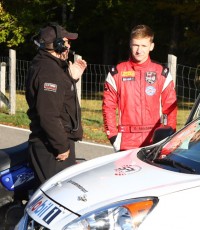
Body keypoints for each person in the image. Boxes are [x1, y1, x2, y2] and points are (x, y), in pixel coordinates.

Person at [25, 22, 87, 185]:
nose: (69, 45)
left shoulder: (50, 67)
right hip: (52, 149)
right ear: (58, 45)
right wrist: (61, 146)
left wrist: (70, 78)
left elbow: (58, 98)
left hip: (53, 143)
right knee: (58, 200)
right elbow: (48, 115)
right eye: (67, 42)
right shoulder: (50, 72)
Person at [102, 24, 177, 151]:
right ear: (130, 45)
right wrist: (113, 136)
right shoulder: (117, 73)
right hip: (126, 140)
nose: (139, 50)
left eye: (143, 46)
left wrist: (170, 135)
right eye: (136, 45)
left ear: (151, 47)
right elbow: (108, 107)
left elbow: (170, 108)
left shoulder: (161, 73)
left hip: (154, 139)